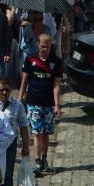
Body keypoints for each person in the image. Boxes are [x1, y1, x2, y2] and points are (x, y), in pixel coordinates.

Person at [18, 34, 62, 176]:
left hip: (48, 103)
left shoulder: (56, 61)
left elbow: (56, 84)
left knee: (46, 134)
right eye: (43, 47)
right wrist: (19, 102)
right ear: (38, 44)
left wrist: (57, 105)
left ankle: (44, 159)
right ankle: (37, 162)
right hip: (33, 102)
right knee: (37, 133)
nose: (45, 50)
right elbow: (24, 82)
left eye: (47, 47)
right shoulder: (30, 59)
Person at [0, 78, 30, 186]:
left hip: (10, 144)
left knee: (7, 174)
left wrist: (26, 146)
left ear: (11, 90)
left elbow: (23, 126)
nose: (4, 93)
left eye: (7, 90)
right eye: (1, 90)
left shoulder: (18, 105)